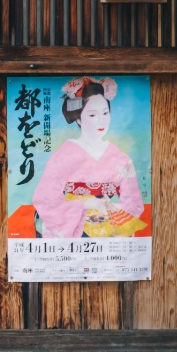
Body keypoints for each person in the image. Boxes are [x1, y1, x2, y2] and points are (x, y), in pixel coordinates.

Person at [32, 77, 146, 239]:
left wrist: (112, 208)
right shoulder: (62, 156)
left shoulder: (122, 159)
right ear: (78, 118)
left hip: (109, 229)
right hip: (74, 230)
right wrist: (86, 203)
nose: (102, 120)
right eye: (92, 115)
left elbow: (133, 203)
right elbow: (45, 199)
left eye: (105, 113)